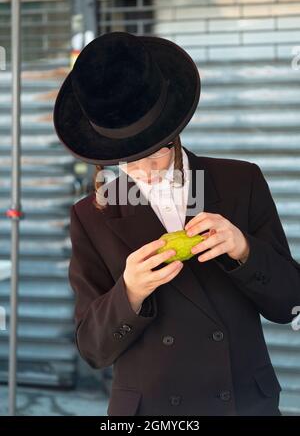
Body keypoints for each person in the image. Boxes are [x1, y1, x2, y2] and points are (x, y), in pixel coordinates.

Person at [53, 31, 300, 416]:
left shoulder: (241, 181)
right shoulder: (90, 214)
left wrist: (245, 251)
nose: (144, 175)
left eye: (152, 156)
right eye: (126, 162)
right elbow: (93, 349)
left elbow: (291, 305)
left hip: (242, 402)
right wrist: (129, 292)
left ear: (172, 133)